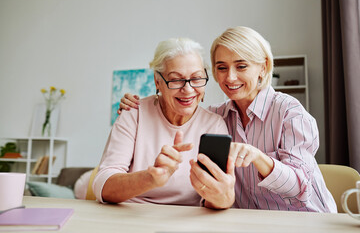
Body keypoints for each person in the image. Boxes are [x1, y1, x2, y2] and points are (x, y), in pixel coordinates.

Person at [118, 26, 337, 212]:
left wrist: (259, 158)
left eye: (241, 66)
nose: (230, 77)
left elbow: (302, 185)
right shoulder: (217, 117)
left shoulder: (290, 112)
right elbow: (183, 106)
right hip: (248, 222)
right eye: (221, 68)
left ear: (263, 68)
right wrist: (136, 104)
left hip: (307, 219)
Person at [92, 37, 235, 209]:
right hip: (132, 215)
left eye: (196, 78)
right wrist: (150, 178)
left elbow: (214, 197)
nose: (188, 89)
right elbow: (103, 185)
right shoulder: (134, 114)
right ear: (157, 82)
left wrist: (222, 197)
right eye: (176, 80)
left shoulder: (214, 124)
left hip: (189, 219)